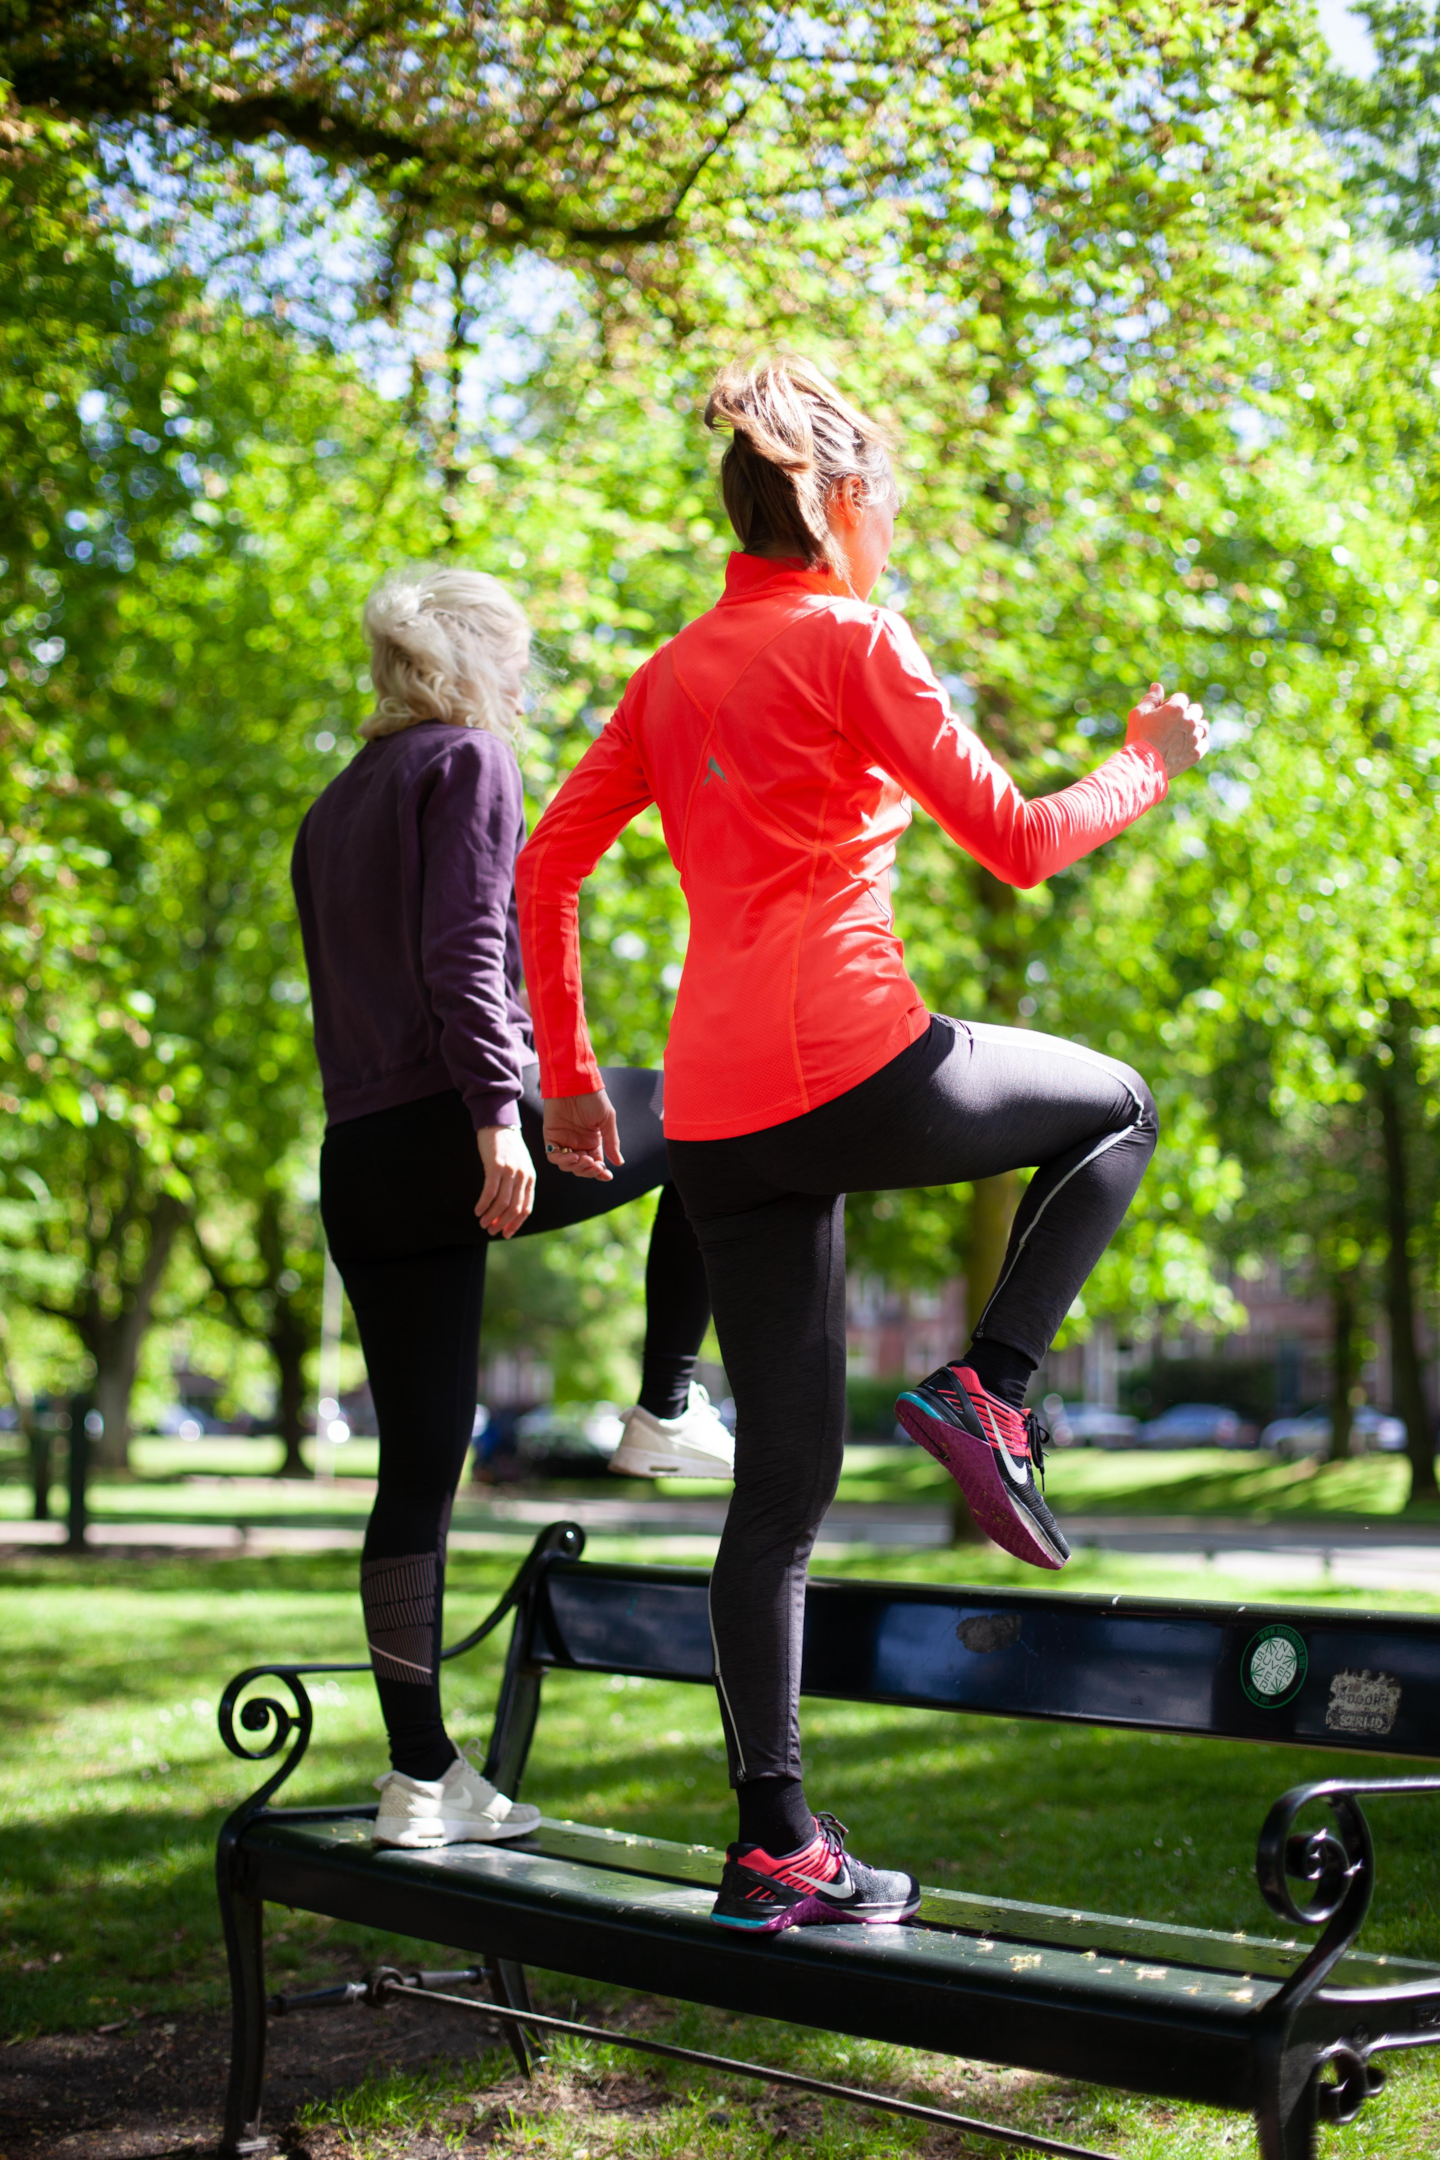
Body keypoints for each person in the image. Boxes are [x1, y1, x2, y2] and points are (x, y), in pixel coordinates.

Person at [515, 358, 1208, 1933]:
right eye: (884, 497)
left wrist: (572, 1081)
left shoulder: (671, 672)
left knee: (782, 1496)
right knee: (1119, 1105)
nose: (894, 525)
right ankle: (996, 1388)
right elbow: (1023, 843)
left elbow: (543, 876)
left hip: (716, 1117)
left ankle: (775, 1845)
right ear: (837, 505)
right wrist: (1146, 764)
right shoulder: (854, 639)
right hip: (854, 1058)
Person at [291, 564, 731, 1852]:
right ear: (479, 666)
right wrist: (499, 1113)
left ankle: (422, 1778)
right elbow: (466, 950)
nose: (526, 687)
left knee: (416, 1469)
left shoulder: (330, 806)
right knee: (718, 1105)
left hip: (359, 1160)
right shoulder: (467, 761)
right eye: (521, 661)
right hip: (457, 1121)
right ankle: (664, 1403)